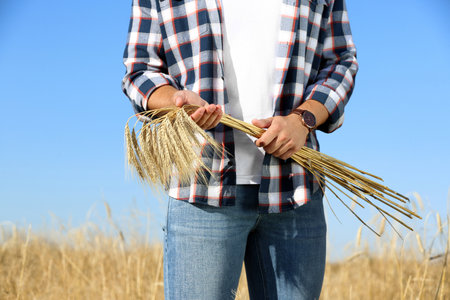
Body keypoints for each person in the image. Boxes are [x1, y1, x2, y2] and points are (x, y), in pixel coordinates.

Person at [122, 0, 358, 299]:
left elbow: (340, 61)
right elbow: (140, 69)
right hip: (202, 187)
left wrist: (303, 119)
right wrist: (176, 100)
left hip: (296, 189)